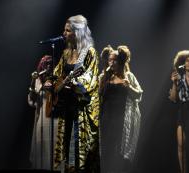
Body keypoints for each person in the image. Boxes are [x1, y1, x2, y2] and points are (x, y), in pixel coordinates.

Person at [51, 15, 100, 173]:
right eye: (64, 30)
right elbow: (57, 74)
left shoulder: (89, 52)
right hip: (66, 108)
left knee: (78, 150)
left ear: (77, 33)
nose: (64, 33)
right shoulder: (66, 53)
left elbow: (90, 78)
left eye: (67, 30)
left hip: (81, 109)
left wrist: (75, 83)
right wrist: (51, 83)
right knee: (66, 148)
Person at [99, 45, 143, 173]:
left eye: (115, 60)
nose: (111, 63)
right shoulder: (105, 77)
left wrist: (129, 87)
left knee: (118, 151)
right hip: (106, 117)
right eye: (110, 60)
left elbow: (139, 95)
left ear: (121, 62)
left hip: (121, 120)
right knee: (105, 150)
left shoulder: (129, 76)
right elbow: (97, 97)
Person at [28, 55, 58, 169]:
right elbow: (31, 101)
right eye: (46, 64)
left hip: (55, 118)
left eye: (51, 63)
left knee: (55, 148)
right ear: (42, 66)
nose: (49, 66)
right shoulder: (37, 80)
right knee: (42, 148)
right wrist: (32, 83)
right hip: (42, 118)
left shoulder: (57, 78)